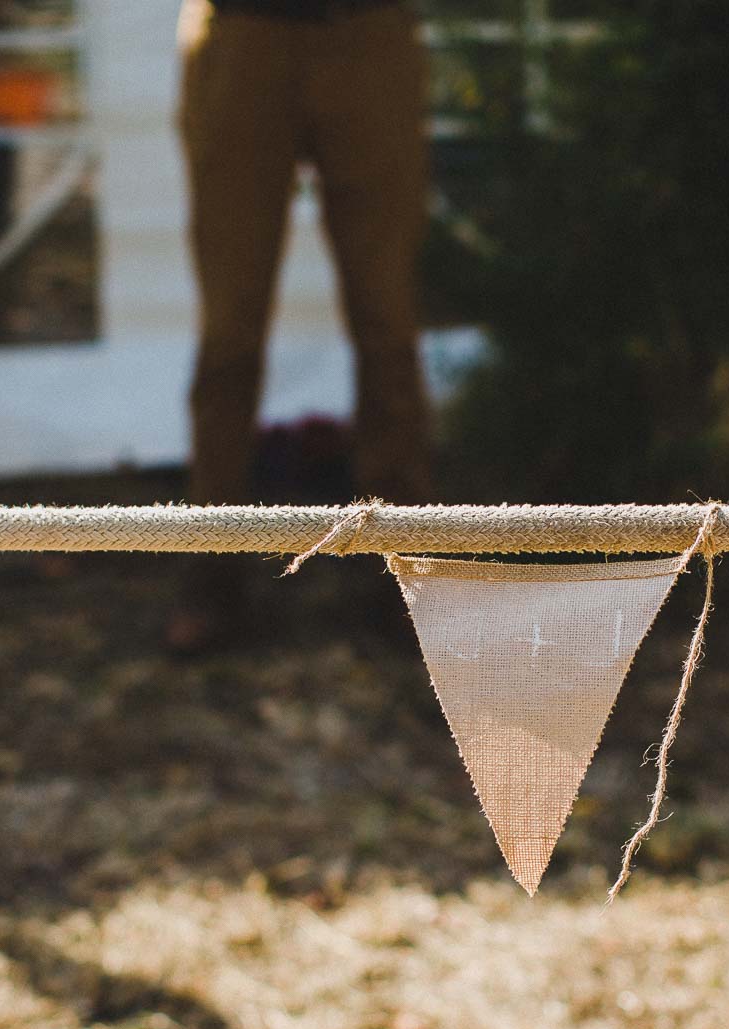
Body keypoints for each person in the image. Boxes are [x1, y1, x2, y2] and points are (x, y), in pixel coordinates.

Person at [169, 0, 434, 650]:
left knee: (388, 322)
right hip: (241, 31)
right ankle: (213, 568)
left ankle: (403, 567)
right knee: (229, 332)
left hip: (369, 32)